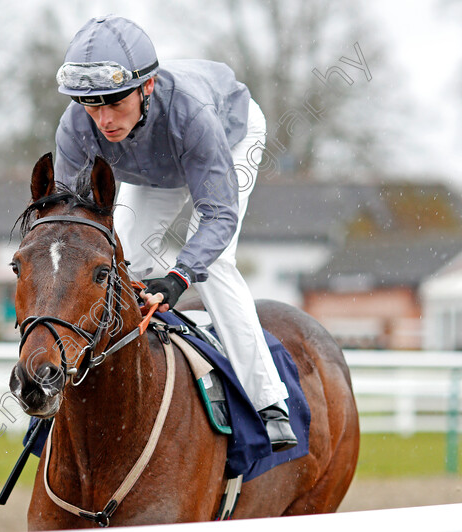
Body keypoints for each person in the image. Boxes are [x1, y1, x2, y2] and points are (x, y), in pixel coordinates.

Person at [54, 15, 296, 450]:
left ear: (146, 88)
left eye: (115, 103)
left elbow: (218, 214)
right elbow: (70, 221)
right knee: (123, 261)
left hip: (229, 134)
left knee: (216, 263)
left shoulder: (192, 116)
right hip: (154, 164)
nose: (104, 120)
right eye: (93, 106)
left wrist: (179, 276)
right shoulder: (76, 125)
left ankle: (268, 402)